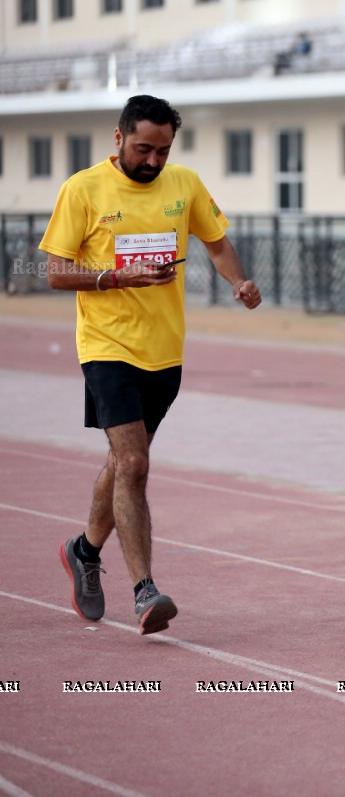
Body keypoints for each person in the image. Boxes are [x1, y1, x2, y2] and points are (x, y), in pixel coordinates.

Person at [40, 94, 262, 636]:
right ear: (119, 139)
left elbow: (217, 243)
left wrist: (240, 281)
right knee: (135, 463)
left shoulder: (183, 184)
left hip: (164, 353)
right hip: (106, 347)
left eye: (163, 151)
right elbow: (54, 272)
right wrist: (117, 277)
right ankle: (145, 591)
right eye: (144, 149)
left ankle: (84, 551)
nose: (154, 161)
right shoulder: (83, 189)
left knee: (123, 463)